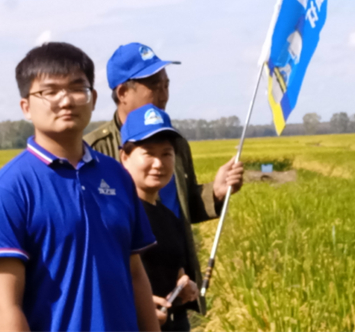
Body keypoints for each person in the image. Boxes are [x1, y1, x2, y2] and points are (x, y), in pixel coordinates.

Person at [0, 42, 160, 332]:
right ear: (26, 107)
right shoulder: (9, 191)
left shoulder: (117, 176)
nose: (66, 100)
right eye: (49, 91)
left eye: (77, 88)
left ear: (94, 98)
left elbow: (135, 274)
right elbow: (5, 306)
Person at [84, 42, 244, 314]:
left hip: (174, 287)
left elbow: (182, 205)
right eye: (154, 86)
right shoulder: (94, 151)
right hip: (126, 295)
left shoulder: (176, 143)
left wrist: (215, 193)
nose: (163, 94)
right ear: (123, 92)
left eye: (166, 85)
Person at [120, 104, 199, 331]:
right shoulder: (117, 216)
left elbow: (177, 273)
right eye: (149, 153)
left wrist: (186, 287)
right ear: (125, 157)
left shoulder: (170, 217)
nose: (159, 163)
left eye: (166, 154)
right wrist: (136, 306)